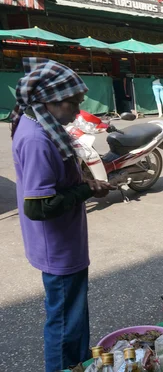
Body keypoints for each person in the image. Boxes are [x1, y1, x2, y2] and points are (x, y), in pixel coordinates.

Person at [10, 58, 115, 372]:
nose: (77, 111)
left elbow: (54, 182)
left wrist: (83, 182)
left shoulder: (42, 124)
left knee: (73, 315)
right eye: (74, 104)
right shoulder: (36, 139)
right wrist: (87, 191)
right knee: (65, 321)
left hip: (65, 242)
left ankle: (78, 364)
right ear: (50, 101)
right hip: (56, 247)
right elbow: (37, 206)